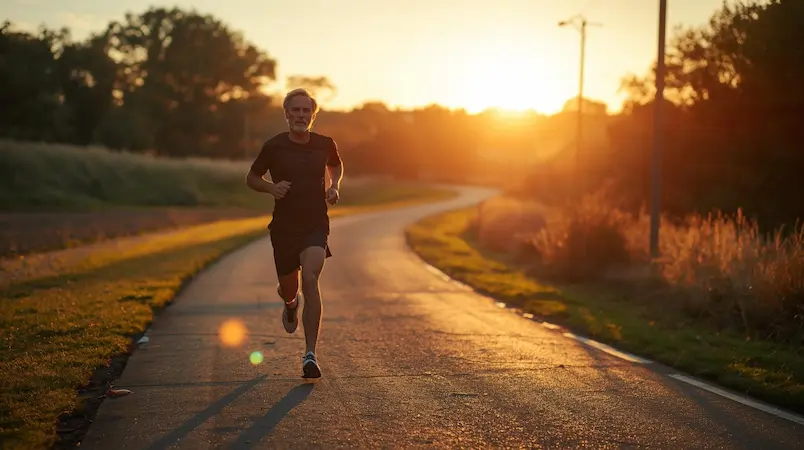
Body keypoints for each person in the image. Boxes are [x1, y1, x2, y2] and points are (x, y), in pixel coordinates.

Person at [245, 88, 343, 379]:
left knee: (311, 278)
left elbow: (335, 165)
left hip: (315, 223)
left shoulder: (325, 144)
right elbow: (252, 177)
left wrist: (335, 186)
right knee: (290, 288)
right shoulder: (274, 146)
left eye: (306, 111)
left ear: (313, 115)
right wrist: (271, 188)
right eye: (296, 110)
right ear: (286, 114)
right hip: (284, 227)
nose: (301, 115)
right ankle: (290, 304)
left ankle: (309, 355)